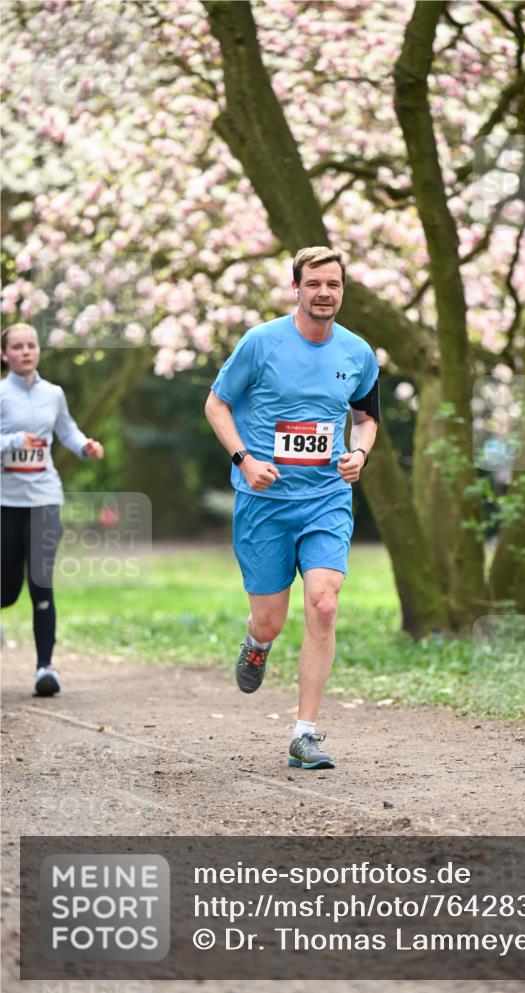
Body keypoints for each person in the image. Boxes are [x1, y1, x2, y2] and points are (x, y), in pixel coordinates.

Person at [205, 247, 379, 769]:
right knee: (270, 620)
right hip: (265, 502)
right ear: (296, 288)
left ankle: (305, 734)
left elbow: (366, 418)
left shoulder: (358, 353)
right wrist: (244, 460)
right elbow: (216, 403)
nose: (324, 292)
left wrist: (359, 455)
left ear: (342, 290)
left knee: (324, 603)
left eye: (333, 284)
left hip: (326, 496)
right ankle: (256, 643)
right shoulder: (261, 343)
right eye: (314, 283)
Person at [1, 323, 104, 696]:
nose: (26, 352)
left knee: (41, 582)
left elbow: (67, 430)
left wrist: (85, 446)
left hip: (45, 497)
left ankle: (45, 667)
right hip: (6, 502)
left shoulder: (53, 394)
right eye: (17, 346)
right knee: (7, 591)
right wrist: (15, 441)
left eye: (31, 345)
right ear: (5, 354)